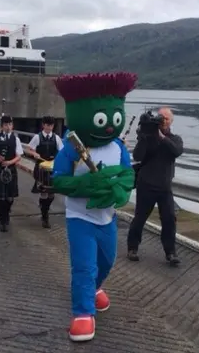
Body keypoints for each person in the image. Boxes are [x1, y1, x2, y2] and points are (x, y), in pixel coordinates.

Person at [52, 72, 136, 342]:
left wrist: (120, 189)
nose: (109, 126)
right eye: (102, 119)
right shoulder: (70, 149)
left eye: (114, 118)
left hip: (107, 217)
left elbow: (127, 174)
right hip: (80, 217)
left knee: (107, 260)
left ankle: (93, 288)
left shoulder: (118, 147)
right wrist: (88, 185)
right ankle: (82, 312)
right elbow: (59, 181)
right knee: (84, 266)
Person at [126, 107, 184, 266]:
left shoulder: (175, 139)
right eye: (161, 118)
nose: (164, 121)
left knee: (169, 220)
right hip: (146, 185)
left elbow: (177, 151)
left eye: (167, 118)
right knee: (139, 218)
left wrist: (161, 137)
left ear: (171, 121)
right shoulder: (148, 137)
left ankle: (170, 253)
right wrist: (145, 137)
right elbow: (137, 156)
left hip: (164, 187)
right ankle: (132, 248)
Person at [0, 115, 24, 232]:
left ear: (12, 126)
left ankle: (6, 213)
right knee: (1, 197)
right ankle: (3, 220)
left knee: (10, 197)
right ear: (2, 126)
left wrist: (9, 162)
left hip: (10, 169)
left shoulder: (15, 139)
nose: (8, 127)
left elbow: (19, 156)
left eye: (10, 125)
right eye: (6, 125)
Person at [26, 115, 63, 228]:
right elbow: (28, 149)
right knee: (44, 192)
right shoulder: (38, 137)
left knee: (51, 194)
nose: (49, 127)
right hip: (41, 168)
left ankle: (44, 209)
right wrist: (34, 154)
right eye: (47, 125)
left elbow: (62, 151)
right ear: (43, 125)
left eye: (51, 125)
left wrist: (58, 160)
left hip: (52, 168)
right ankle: (45, 216)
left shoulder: (56, 138)